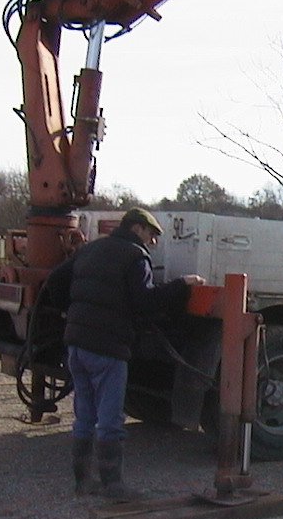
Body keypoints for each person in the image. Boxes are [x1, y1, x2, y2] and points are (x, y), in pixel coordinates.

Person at [43, 208, 205, 499]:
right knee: (109, 418)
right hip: (107, 348)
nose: (153, 243)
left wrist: (72, 311)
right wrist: (182, 285)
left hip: (77, 344)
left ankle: (82, 481)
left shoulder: (90, 249)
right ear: (137, 229)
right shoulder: (134, 256)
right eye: (152, 235)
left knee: (84, 414)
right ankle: (113, 485)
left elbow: (54, 282)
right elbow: (146, 302)